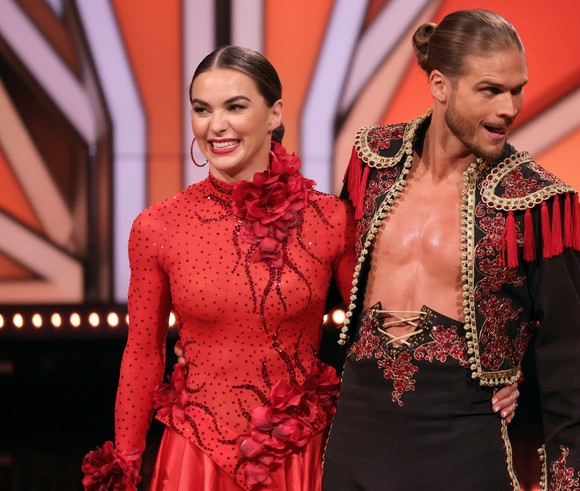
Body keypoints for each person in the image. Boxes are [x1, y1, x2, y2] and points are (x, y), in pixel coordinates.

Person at [81, 45, 519, 491]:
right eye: (202, 109)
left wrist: (487, 377)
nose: (216, 125)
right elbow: (142, 354)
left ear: (274, 114)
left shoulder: (330, 220)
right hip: (195, 459)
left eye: (236, 106)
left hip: (299, 455)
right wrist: (126, 462)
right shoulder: (157, 226)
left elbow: (379, 334)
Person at [322, 9, 580, 491]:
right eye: (491, 90)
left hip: (461, 449)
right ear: (440, 85)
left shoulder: (536, 203)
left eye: (517, 89)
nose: (509, 108)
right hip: (356, 443)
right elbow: (321, 278)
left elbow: (573, 375)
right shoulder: (373, 159)